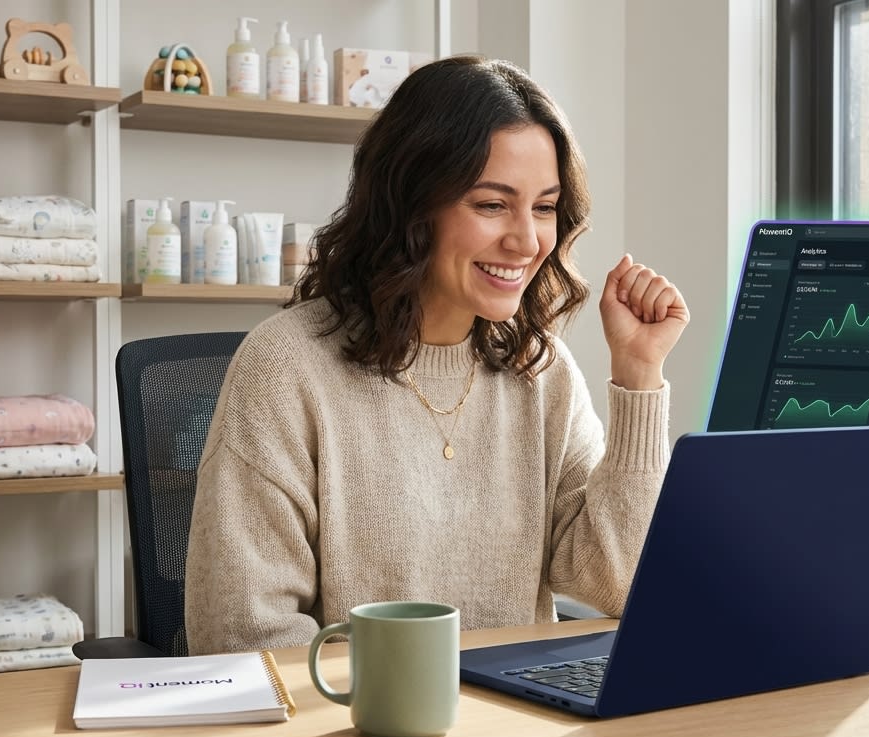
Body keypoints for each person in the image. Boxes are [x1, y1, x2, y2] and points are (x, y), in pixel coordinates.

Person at [185, 55, 690, 654]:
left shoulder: (542, 370)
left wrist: (637, 377)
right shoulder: (285, 368)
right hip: (357, 730)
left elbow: (614, 585)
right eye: (491, 204)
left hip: (515, 728)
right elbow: (244, 635)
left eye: (545, 207)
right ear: (412, 205)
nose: (526, 240)